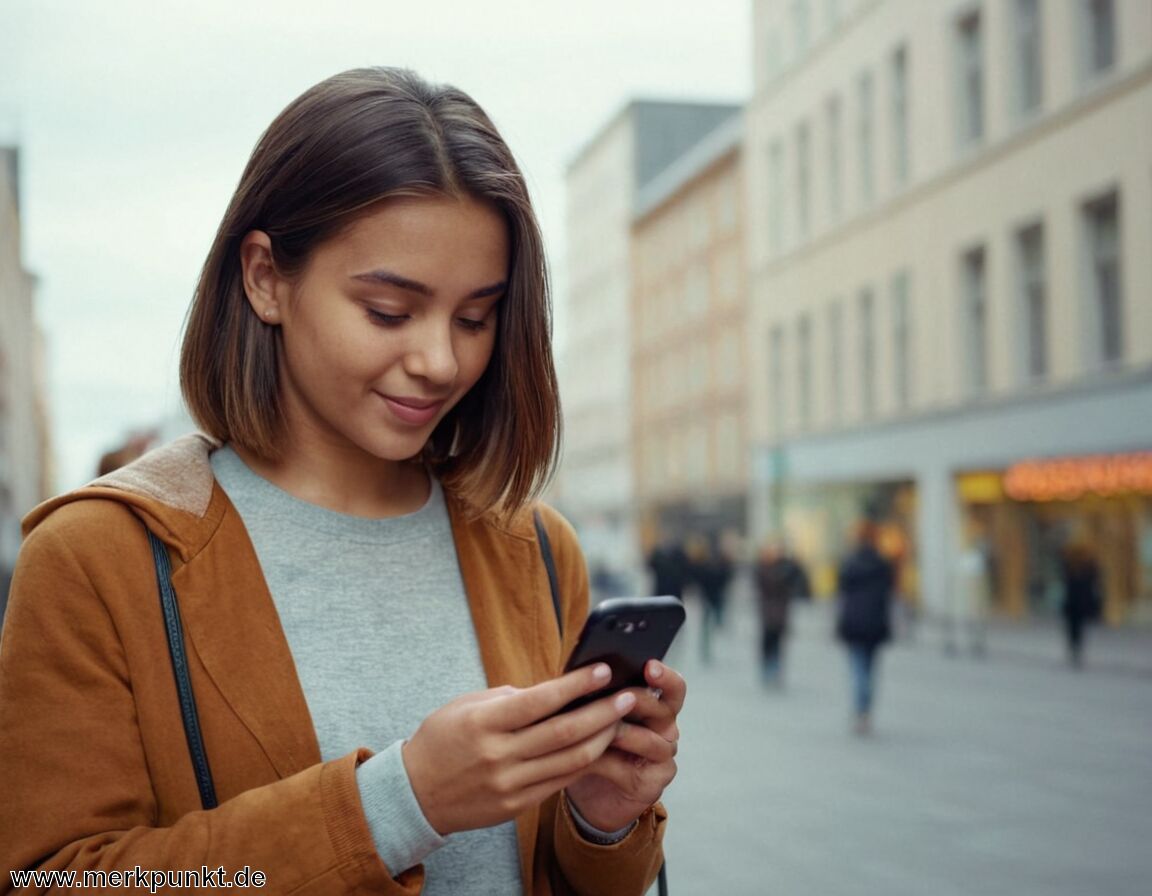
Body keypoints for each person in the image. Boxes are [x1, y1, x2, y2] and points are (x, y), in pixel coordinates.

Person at [0, 68, 683, 895]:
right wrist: (397, 804)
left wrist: (601, 815)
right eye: (389, 311)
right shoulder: (96, 558)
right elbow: (55, 880)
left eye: (475, 317)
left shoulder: (535, 547)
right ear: (264, 278)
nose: (441, 360)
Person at [835, 520, 895, 736]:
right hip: (875, 622)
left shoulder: (850, 562)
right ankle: (865, 708)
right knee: (870, 668)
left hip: (853, 621)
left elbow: (841, 593)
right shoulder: (882, 564)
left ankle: (860, 709)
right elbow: (889, 594)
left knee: (857, 667)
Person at [754, 538, 810, 687]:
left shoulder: (786, 568)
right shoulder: (764, 569)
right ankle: (768, 669)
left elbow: (798, 580)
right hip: (768, 611)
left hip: (780, 611)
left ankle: (775, 670)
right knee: (767, 641)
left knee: (777, 642)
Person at [1059, 539, 1102, 668]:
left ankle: (1075, 650)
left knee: (1075, 628)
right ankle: (1075, 650)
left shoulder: (1080, 566)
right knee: (1075, 628)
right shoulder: (1075, 566)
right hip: (1077, 603)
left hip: (1076, 603)